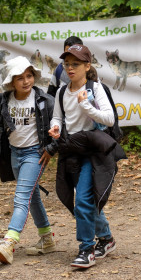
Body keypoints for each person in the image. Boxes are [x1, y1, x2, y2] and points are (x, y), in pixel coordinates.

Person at [49, 44, 125, 268]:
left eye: (75, 64)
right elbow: (57, 118)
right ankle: (106, 238)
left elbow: (109, 119)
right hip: (72, 151)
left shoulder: (95, 88)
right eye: (66, 64)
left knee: (82, 200)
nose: (70, 69)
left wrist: (86, 105)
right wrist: (55, 128)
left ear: (87, 65)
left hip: (94, 152)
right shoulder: (62, 92)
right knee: (85, 201)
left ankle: (86, 250)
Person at [0, 56, 58, 264]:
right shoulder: (4, 100)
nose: (26, 81)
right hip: (14, 154)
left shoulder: (45, 101)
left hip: (35, 154)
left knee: (21, 197)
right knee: (32, 196)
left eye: (29, 76)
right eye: (20, 78)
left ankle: (9, 242)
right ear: (11, 82)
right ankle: (47, 239)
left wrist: (51, 149)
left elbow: (59, 127)